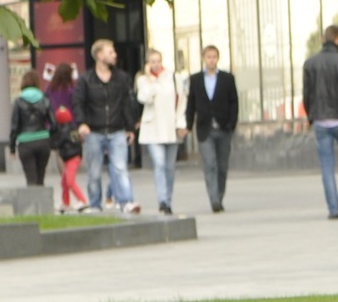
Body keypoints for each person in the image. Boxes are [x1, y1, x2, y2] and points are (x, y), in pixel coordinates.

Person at [302, 24, 338, 219]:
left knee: (326, 165)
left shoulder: (310, 64)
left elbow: (307, 94)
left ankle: (333, 209)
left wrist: (311, 116)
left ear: (323, 39)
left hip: (320, 119)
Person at [75, 39, 139, 215]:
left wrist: (130, 128)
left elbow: (126, 103)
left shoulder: (121, 78)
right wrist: (81, 123)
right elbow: (78, 103)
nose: (115, 55)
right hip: (94, 131)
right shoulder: (86, 80)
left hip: (117, 130)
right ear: (99, 55)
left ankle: (126, 202)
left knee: (120, 168)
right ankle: (95, 204)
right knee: (94, 172)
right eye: (111, 52)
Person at [186, 44, 238, 213]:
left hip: (223, 128)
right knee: (210, 164)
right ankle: (214, 199)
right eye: (208, 57)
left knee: (222, 166)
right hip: (205, 129)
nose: (211, 60)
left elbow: (234, 102)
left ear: (217, 58)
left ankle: (219, 196)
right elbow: (191, 104)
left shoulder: (227, 78)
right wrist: (188, 125)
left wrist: (231, 124)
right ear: (203, 59)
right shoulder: (195, 80)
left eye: (214, 57)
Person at [136, 47, 181, 215]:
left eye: (158, 61)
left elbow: (181, 100)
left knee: (170, 167)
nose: (156, 64)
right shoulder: (143, 80)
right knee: (159, 164)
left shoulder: (173, 77)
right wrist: (151, 80)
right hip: (152, 129)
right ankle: (162, 200)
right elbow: (144, 98)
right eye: (152, 62)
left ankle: (168, 199)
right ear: (147, 63)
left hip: (170, 128)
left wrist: (181, 124)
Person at [47, 63, 87, 210]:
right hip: (71, 128)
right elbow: (76, 107)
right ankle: (74, 199)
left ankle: (66, 201)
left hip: (55, 128)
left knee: (61, 159)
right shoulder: (71, 90)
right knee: (72, 161)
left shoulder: (50, 89)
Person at [9, 70, 55, 198]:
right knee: (41, 176)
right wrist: (50, 139)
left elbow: (14, 126)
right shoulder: (45, 99)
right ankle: (42, 204)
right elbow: (53, 123)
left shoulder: (18, 101)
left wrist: (12, 148)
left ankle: (33, 204)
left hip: (25, 142)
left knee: (31, 178)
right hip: (43, 140)